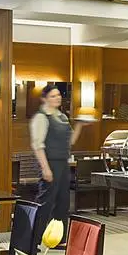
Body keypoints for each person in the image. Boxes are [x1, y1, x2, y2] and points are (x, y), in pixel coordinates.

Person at [30, 84, 88, 244]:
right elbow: (37, 145)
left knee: (63, 201)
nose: (57, 98)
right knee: (46, 202)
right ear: (44, 99)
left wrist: (79, 126)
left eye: (58, 95)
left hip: (63, 163)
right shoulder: (41, 117)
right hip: (49, 162)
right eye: (53, 96)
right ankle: (33, 240)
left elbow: (70, 141)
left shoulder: (62, 117)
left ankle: (58, 239)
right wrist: (45, 168)